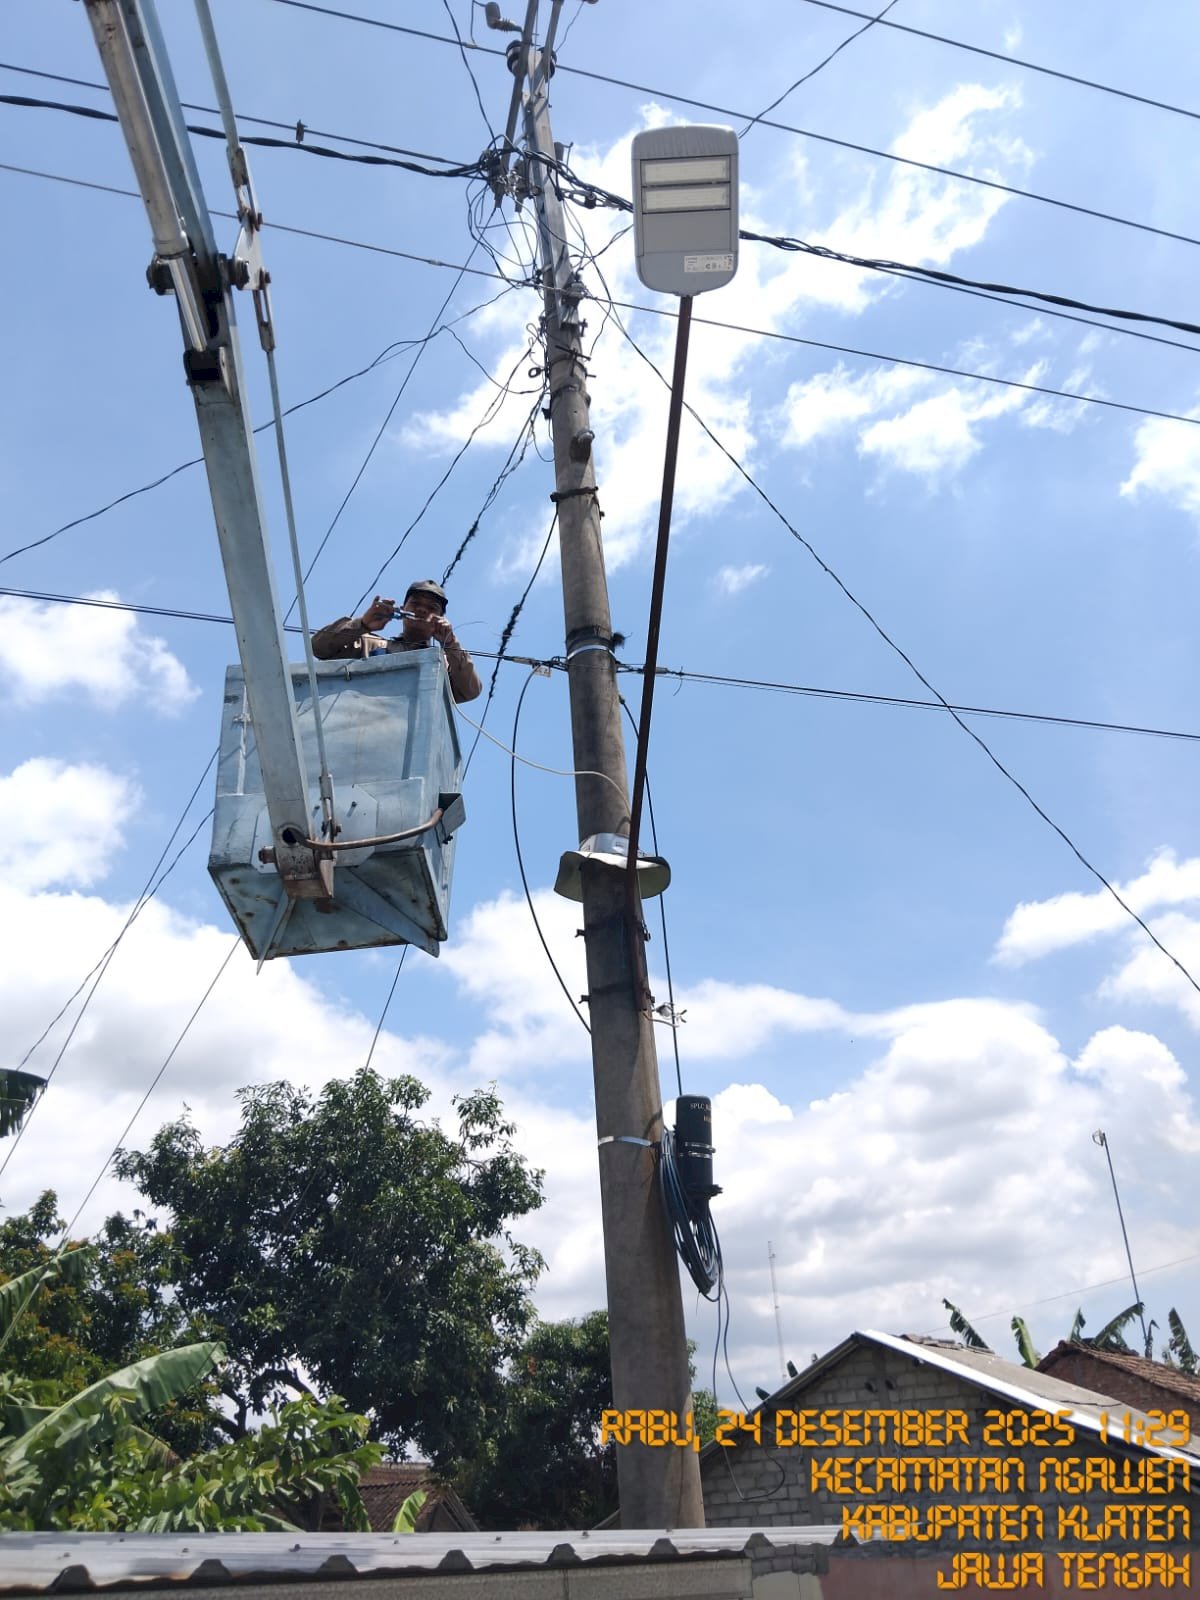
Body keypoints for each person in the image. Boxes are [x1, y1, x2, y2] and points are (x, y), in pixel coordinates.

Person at [311, 580, 482, 703]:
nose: (422, 609)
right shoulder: (369, 644)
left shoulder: (444, 662)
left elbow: (470, 691)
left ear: (441, 619)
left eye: (432, 608)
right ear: (402, 610)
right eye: (415, 604)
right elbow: (318, 648)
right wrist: (362, 624)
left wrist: (451, 643)